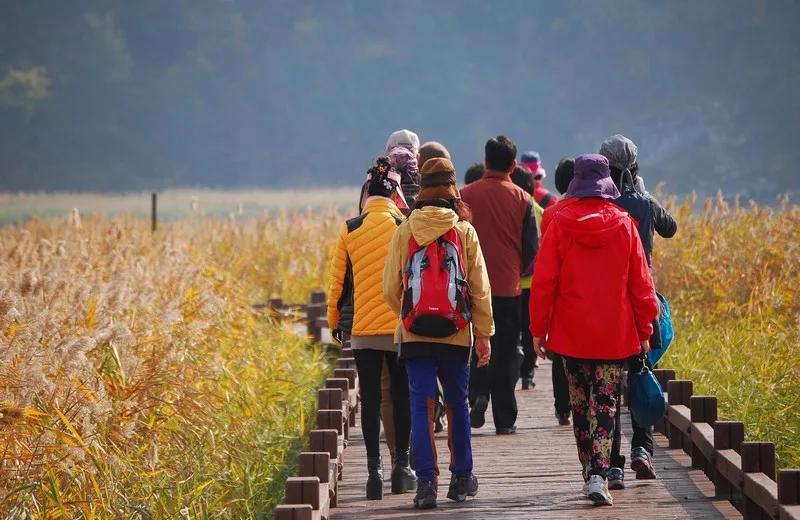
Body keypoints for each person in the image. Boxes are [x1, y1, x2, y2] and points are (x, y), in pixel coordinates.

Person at [529, 153, 658, 506]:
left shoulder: (559, 223)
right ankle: (600, 474)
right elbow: (641, 284)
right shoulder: (625, 224)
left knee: (580, 405)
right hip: (613, 335)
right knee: (606, 404)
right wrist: (645, 328)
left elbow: (543, 283)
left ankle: (590, 470)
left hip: (570, 335)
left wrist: (538, 329)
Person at [383, 157, 493, 509]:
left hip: (415, 334)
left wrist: (409, 314)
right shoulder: (463, 230)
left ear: (422, 189)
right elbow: (479, 287)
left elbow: (389, 288)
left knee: (421, 404)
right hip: (457, 332)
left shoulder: (405, 229)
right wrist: (484, 332)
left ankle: (426, 484)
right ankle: (462, 478)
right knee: (457, 403)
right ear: (452, 187)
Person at [327, 156, 416, 500]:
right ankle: (401, 467)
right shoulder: (403, 226)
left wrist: (336, 324)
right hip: (398, 329)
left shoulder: (350, 228)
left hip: (363, 330)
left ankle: (373, 472)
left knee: (371, 401)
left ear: (366, 194)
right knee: (400, 396)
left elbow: (338, 284)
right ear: (395, 194)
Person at [599, 134, 677, 489]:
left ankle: (613, 465)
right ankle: (642, 450)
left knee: (610, 389)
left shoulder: (599, 204)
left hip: (608, 308)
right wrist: (644, 193)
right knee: (642, 377)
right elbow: (670, 227)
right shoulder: (643, 203)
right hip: (641, 305)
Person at [460, 136, 539, 435]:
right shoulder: (523, 199)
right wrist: (515, 269)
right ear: (513, 165)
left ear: (486, 160)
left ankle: (478, 393)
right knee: (506, 350)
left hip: (470, 287)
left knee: (473, 344)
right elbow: (531, 245)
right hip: (508, 288)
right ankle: (505, 419)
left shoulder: (465, 195)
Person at [540, 156, 576, 426]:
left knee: (560, 351)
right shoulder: (614, 215)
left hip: (562, 295)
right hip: (595, 300)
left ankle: (562, 407)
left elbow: (547, 263)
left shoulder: (552, 214)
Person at [509, 166, 544, 391]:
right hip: (534, 282)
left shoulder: (507, 207)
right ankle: (528, 373)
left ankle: (513, 368)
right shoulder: (540, 210)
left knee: (512, 331)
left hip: (510, 283)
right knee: (531, 329)